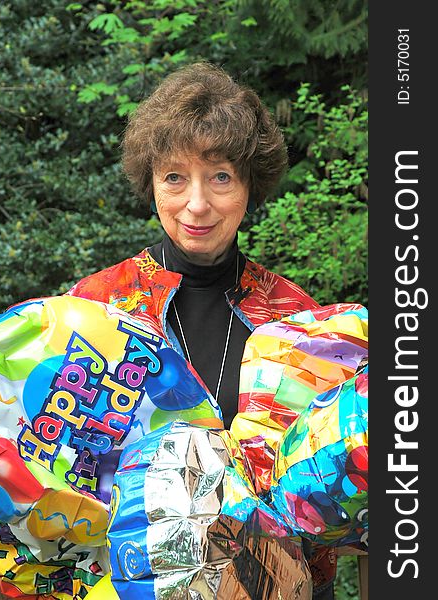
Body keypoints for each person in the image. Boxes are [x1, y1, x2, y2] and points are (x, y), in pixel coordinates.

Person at [67, 61, 335, 598]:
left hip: (277, 584)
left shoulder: (296, 320)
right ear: (151, 184)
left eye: (220, 177)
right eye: (174, 177)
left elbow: (333, 482)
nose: (197, 204)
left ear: (250, 188)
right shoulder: (95, 307)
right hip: (126, 583)